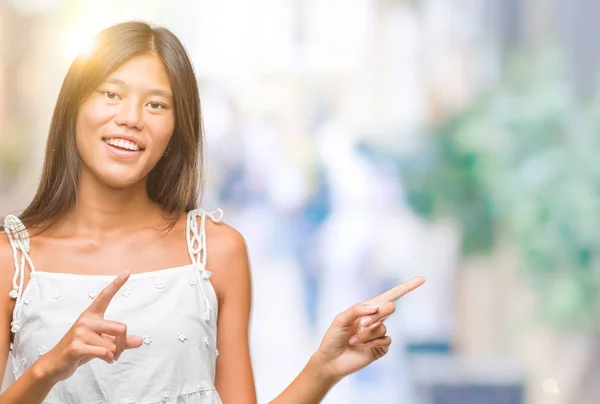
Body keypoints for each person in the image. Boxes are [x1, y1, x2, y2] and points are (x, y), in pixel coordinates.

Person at [0, 21, 425, 404]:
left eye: (156, 105)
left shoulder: (216, 252)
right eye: (111, 94)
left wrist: (325, 368)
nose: (130, 118)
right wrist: (47, 368)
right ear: (74, 106)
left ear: (176, 128)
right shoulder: (11, 260)